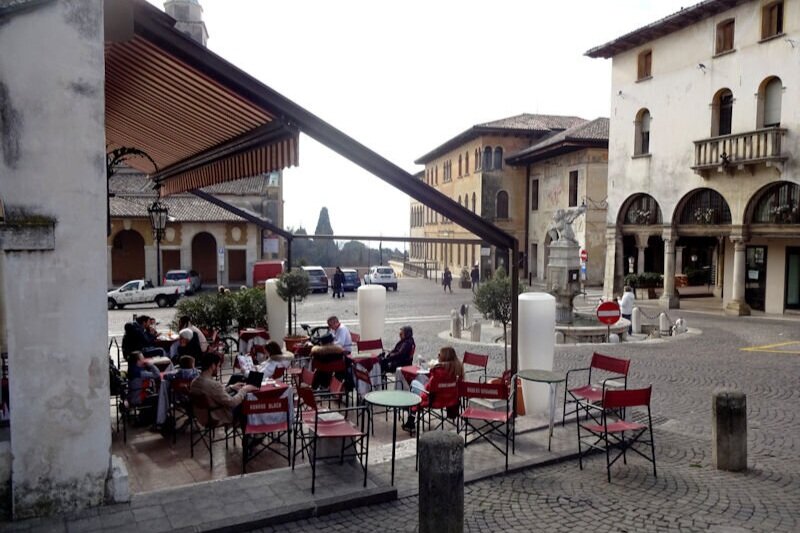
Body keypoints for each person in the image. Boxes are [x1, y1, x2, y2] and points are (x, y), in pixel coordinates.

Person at [402, 346, 464, 432]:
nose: (438, 356)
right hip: (450, 400)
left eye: (439, 354)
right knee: (421, 379)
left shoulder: (438, 372)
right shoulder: (458, 370)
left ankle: (411, 420)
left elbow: (430, 389)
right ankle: (410, 413)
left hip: (434, 400)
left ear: (444, 357)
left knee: (414, 383)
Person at [189, 352, 257, 427]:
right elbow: (232, 402)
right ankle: (251, 435)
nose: (219, 368)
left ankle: (250, 435)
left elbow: (213, 393)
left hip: (201, 416)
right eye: (218, 366)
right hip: (215, 417)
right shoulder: (212, 384)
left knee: (238, 397)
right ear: (212, 366)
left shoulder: (194, 381)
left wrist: (231, 387)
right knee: (246, 403)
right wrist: (244, 390)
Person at [126, 351, 161, 422]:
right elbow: (157, 374)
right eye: (142, 358)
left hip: (132, 395)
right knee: (159, 397)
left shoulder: (131, 368)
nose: (144, 359)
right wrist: (151, 365)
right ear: (138, 361)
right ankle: (154, 419)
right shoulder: (140, 373)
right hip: (138, 397)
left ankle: (147, 415)